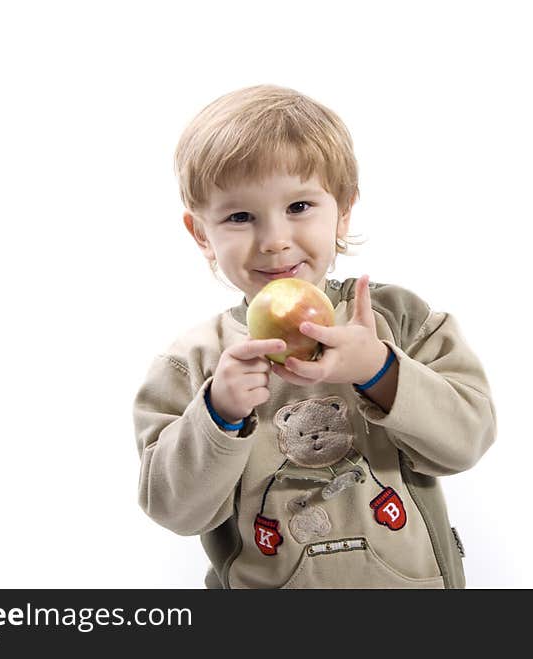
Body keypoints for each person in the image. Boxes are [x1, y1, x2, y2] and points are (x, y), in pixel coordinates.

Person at [132, 84, 497, 589]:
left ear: (342, 211)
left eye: (300, 206)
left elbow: (467, 442)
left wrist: (379, 371)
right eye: (240, 217)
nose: (274, 239)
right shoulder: (193, 363)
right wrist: (217, 413)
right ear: (201, 235)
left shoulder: (399, 319)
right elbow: (175, 511)